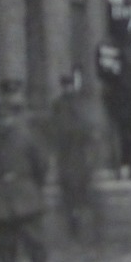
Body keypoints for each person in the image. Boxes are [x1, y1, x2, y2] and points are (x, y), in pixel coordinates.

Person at [0, 79, 49, 262]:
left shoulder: (27, 137)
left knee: (35, 244)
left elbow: (41, 166)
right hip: (0, 196)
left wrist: (33, 186)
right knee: (4, 244)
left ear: (13, 118)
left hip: (25, 194)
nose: (3, 123)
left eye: (7, 118)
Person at [50, 72, 101, 244]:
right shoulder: (58, 105)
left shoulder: (79, 104)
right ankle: (74, 222)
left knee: (82, 189)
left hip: (79, 155)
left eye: (70, 85)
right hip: (66, 156)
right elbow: (56, 129)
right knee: (69, 191)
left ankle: (84, 223)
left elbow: (87, 129)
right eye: (65, 86)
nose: (68, 89)